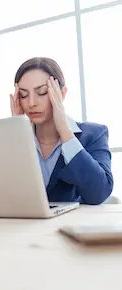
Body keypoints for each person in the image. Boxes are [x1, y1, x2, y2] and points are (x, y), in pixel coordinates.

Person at [10, 57, 113, 205]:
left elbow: (99, 193)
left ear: (62, 94)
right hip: (21, 228)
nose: (31, 103)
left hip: (69, 226)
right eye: (24, 95)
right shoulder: (14, 140)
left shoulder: (94, 135)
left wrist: (65, 132)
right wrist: (18, 135)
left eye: (42, 92)